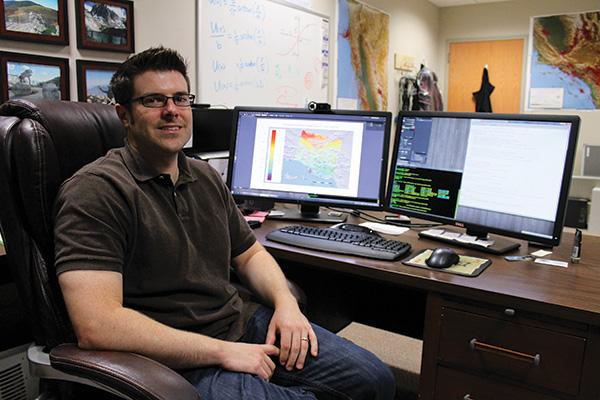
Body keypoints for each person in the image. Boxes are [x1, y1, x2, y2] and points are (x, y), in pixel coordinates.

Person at [53, 47, 395, 400]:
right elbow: (97, 325)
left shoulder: (204, 176)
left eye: (180, 98)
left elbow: (250, 255)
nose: (171, 111)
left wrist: (285, 304)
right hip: (173, 358)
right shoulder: (95, 191)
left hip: (238, 324)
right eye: (153, 100)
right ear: (124, 115)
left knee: (374, 380)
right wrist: (221, 352)